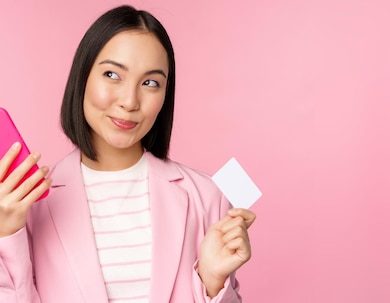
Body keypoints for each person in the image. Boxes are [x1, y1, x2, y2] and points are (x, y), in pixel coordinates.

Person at [0, 5, 255, 303]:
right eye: (112, 74)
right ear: (82, 78)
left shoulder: (208, 196)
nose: (130, 101)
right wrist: (6, 232)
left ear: (165, 95)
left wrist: (212, 282)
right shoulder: (27, 204)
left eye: (150, 83)